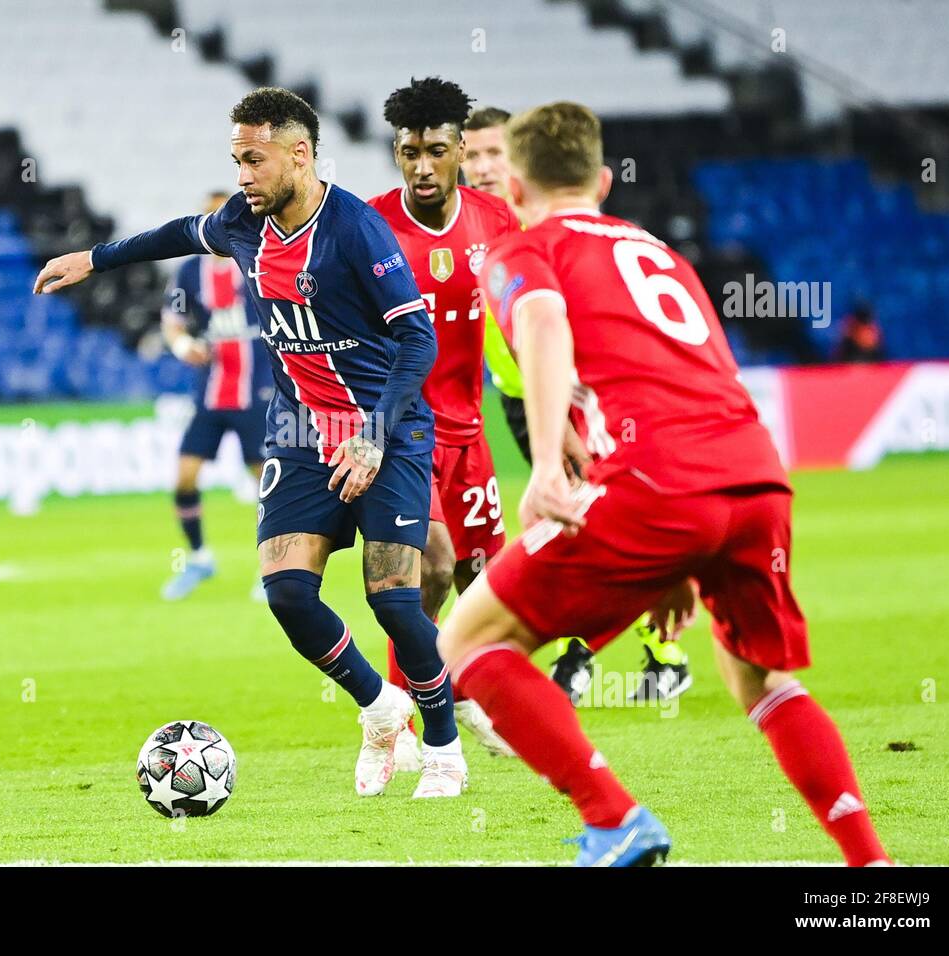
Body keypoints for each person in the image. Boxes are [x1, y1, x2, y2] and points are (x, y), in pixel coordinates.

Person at [437, 101, 890, 866]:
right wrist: (682, 554)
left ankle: (612, 817)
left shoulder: (523, 250)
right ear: (605, 180)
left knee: (464, 646)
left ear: (512, 187)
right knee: (760, 679)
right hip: (753, 475)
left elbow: (544, 325)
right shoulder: (656, 250)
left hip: (657, 479)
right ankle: (873, 868)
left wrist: (547, 463)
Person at [34, 87, 467, 799]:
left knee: (395, 600)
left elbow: (417, 337)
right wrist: (95, 257)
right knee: (288, 593)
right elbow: (179, 232)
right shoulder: (243, 220)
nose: (242, 177)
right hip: (298, 433)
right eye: (236, 161)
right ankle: (381, 708)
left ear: (300, 155)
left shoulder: (356, 230)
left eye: (254, 160)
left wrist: (374, 434)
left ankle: (445, 747)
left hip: (384, 430)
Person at [461, 104, 691, 703]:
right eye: (472, 153)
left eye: (494, 153)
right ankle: (587, 655)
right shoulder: (470, 226)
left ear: (517, 164)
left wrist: (565, 407)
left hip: (578, 398)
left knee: (593, 517)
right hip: (518, 397)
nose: (482, 166)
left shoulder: (537, 228)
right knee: (566, 520)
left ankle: (648, 656)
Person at [367, 77, 518, 766]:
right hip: (403, 431)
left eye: (434, 150)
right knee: (427, 568)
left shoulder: (496, 220)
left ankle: (471, 699)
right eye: (407, 153)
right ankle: (411, 719)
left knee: (483, 584)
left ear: (460, 148)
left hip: (469, 430)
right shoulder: (369, 227)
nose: (421, 166)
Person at [159, 191, 274, 602]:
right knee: (184, 476)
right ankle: (200, 557)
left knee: (267, 485)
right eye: (211, 217)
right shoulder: (189, 271)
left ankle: (273, 569)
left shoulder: (261, 257)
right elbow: (172, 322)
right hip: (211, 392)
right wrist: (182, 345)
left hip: (256, 391)